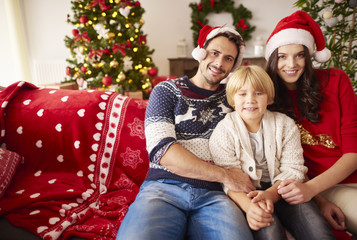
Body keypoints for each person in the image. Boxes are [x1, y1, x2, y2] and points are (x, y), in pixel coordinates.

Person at [116, 25, 255, 240]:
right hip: (164, 188)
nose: (219, 63)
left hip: (216, 195)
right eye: (214, 53)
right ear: (201, 52)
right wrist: (226, 176)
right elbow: (163, 152)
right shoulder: (166, 91)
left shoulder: (235, 99)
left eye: (228, 58)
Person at [209, 65, 334, 240]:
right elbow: (230, 178)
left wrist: (272, 194)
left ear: (269, 98)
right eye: (242, 94)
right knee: (270, 232)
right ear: (232, 100)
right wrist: (248, 207)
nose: (250, 100)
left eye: (258, 93)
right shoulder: (224, 131)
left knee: (317, 230)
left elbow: (294, 169)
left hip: (283, 189)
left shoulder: (285, 125)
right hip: (247, 195)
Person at [264, 10, 357, 236]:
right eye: (283, 56)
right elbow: (285, 164)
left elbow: (353, 154)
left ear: (309, 56)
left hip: (347, 180)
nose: (291, 64)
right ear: (273, 58)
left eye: (299, 55)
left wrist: (310, 190)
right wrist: (319, 199)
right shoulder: (266, 97)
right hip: (317, 189)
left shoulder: (336, 81)